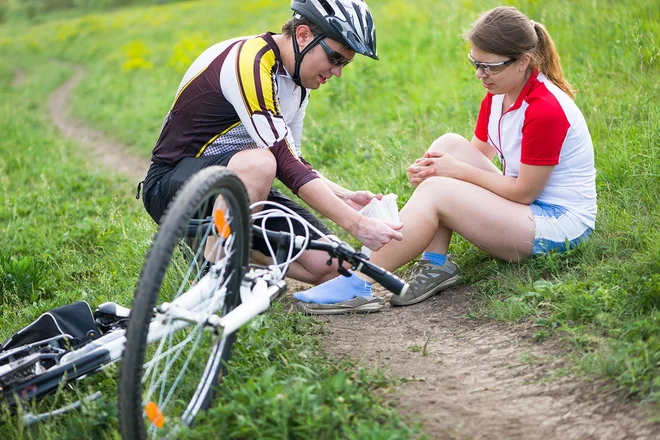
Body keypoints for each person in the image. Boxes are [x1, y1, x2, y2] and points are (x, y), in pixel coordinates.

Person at [295, 6, 597, 313]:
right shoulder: (498, 94)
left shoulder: (545, 109)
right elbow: (476, 160)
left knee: (440, 188)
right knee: (447, 146)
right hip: (527, 212)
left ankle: (357, 281)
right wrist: (438, 169)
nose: (480, 74)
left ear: (524, 62)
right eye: (475, 63)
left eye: (489, 67)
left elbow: (524, 192)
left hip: (560, 225)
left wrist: (451, 174)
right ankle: (436, 265)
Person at [139, 0, 403, 303]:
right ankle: (216, 270)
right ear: (303, 35)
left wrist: (345, 196)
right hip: (171, 187)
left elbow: (294, 161)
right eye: (335, 58)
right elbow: (279, 160)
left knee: (333, 265)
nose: (337, 71)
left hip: (237, 186)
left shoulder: (297, 83)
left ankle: (215, 243)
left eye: (345, 63)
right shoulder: (250, 61)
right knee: (261, 162)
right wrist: (358, 226)